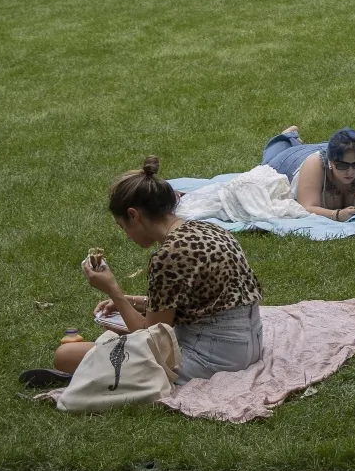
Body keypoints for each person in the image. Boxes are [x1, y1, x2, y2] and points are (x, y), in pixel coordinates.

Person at [28, 157, 263, 387]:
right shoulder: (210, 230)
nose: (126, 235)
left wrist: (115, 292)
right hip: (250, 343)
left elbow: (150, 339)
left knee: (66, 355)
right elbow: (196, 299)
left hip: (214, 358)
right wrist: (135, 302)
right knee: (109, 342)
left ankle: (97, 376)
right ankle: (99, 372)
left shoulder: (168, 255)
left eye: (123, 227)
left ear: (133, 215)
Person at [261, 126, 355, 221]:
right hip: (293, 159)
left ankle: (296, 141)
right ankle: (287, 136)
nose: (350, 171)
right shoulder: (315, 164)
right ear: (330, 162)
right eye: (342, 165)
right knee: (268, 162)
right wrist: (337, 215)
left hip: (333, 149)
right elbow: (307, 207)